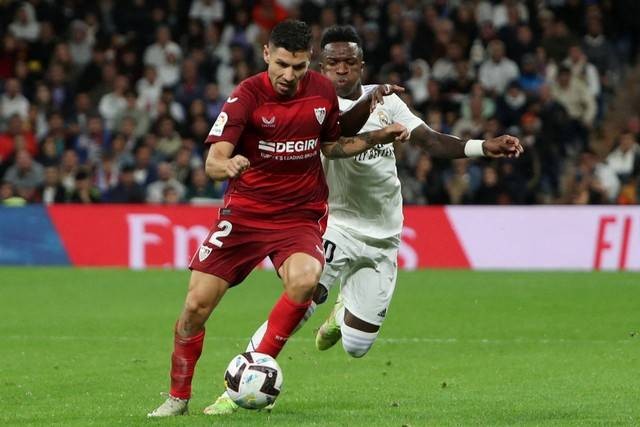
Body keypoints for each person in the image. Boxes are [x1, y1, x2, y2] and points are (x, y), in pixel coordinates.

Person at [205, 25, 524, 415]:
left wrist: (482, 147)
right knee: (300, 299)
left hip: (385, 233)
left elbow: (428, 140)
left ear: (361, 65)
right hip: (334, 223)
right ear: (320, 66)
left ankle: (342, 314)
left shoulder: (386, 102)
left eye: (350, 62)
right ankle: (236, 388)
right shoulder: (313, 103)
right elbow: (340, 133)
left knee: (357, 346)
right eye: (333, 63)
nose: (341, 70)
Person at [147, 20, 409, 418]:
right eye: (282, 65)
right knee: (195, 307)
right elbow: (213, 160)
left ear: (309, 63)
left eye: (299, 67)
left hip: (298, 217)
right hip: (246, 214)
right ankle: (177, 397)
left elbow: (332, 146)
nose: (290, 75)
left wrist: (377, 135)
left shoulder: (321, 92)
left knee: (305, 279)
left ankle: (258, 361)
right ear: (267, 54)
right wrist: (228, 163)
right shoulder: (245, 96)